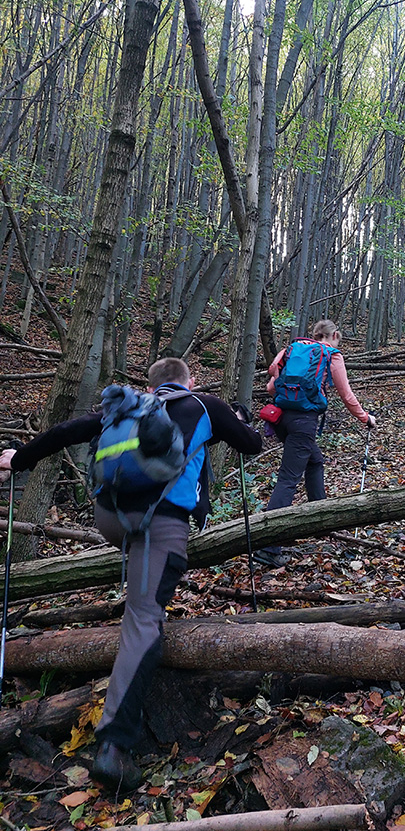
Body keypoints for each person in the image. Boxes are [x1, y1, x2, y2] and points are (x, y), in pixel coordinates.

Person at [0, 357, 262, 793]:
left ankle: (140, 572)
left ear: (151, 385)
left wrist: (18, 458)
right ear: (188, 381)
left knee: (142, 572)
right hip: (162, 520)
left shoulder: (127, 407)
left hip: (110, 519)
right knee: (143, 620)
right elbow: (251, 444)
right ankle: (114, 747)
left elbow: (65, 431)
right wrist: (236, 419)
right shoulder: (205, 404)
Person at [257, 319, 375, 569]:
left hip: (281, 419)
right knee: (288, 479)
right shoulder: (331, 355)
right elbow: (346, 394)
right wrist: (365, 418)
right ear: (335, 335)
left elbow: (270, 387)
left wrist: (290, 398)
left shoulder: (290, 350)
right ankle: (267, 547)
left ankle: (320, 517)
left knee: (315, 461)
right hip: (304, 423)